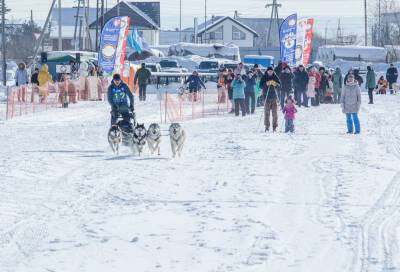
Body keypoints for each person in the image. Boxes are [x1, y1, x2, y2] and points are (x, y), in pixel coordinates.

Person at [260, 67, 281, 132]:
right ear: (267, 71)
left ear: (273, 71)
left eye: (271, 71)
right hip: (266, 97)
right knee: (267, 113)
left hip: (274, 97)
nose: (270, 72)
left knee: (275, 113)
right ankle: (267, 126)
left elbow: (279, 85)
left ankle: (274, 127)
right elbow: (260, 85)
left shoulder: (275, 76)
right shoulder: (264, 76)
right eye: (269, 71)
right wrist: (267, 83)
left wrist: (275, 83)